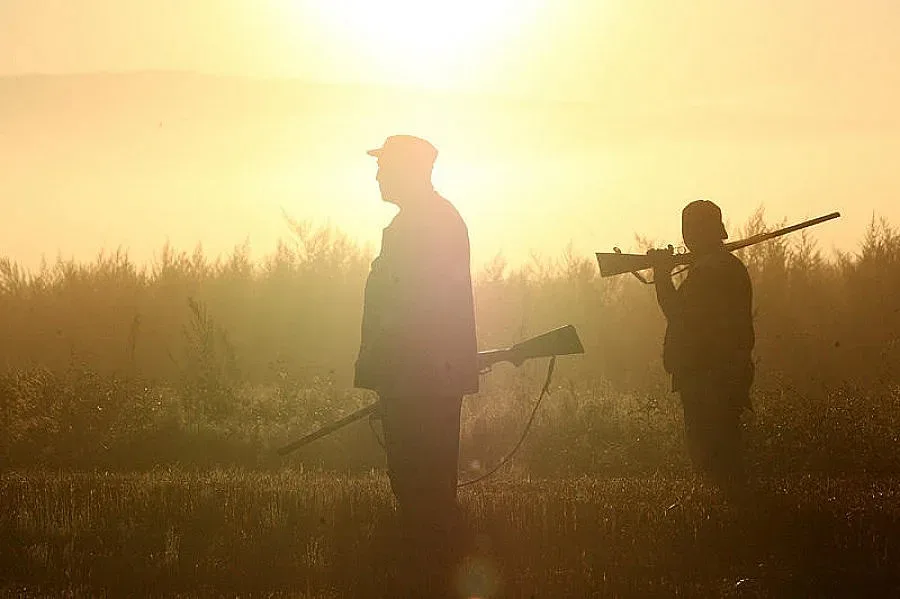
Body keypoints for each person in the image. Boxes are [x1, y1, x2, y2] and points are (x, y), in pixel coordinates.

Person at [354, 134, 478, 595]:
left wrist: (394, 370)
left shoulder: (425, 224)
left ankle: (429, 577)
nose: (378, 175)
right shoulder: (426, 221)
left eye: (385, 166)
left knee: (422, 489)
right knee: (419, 487)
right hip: (416, 378)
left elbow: (413, 307)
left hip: (418, 381)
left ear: (408, 170)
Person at [647, 200, 755, 491]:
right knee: (721, 455)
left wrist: (661, 276)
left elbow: (678, 314)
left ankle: (724, 512)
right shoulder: (721, 267)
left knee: (712, 459)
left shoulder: (712, 271)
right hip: (717, 373)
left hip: (708, 376)